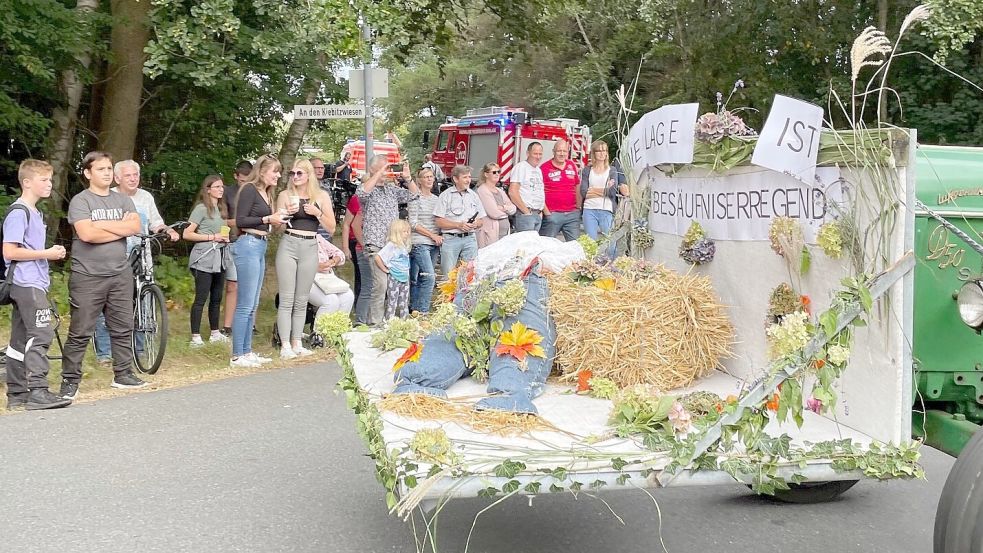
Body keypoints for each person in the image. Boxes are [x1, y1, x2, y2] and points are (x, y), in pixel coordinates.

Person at [60, 151, 145, 400]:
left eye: (109, 168)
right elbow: (87, 235)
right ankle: (70, 380)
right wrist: (119, 230)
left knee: (122, 326)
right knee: (81, 330)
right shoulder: (81, 201)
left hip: (120, 273)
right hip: (88, 275)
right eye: (101, 169)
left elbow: (135, 227)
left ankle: (123, 374)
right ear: (88, 173)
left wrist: (102, 227)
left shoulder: (122, 200)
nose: (107, 173)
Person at [92, 159, 179, 363]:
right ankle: (105, 352)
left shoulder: (145, 197)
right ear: (117, 178)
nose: (133, 179)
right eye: (128, 175)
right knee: (109, 303)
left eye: (136, 175)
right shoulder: (109, 197)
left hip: (142, 257)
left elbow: (156, 223)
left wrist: (167, 230)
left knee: (144, 301)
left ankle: (140, 348)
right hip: (114, 257)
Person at [3, 159, 71, 410]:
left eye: (50, 180)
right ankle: (38, 390)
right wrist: (47, 253)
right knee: (41, 332)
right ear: (27, 182)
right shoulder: (19, 212)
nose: (49, 184)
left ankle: (17, 395)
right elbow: (10, 252)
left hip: (33, 282)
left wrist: (47, 253)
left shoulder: (34, 212)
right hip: (26, 282)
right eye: (44, 180)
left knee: (19, 339)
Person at [274, 158, 336, 360]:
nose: (295, 177)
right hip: (289, 244)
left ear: (309, 175)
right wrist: (285, 215)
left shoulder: (321, 196)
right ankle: (285, 344)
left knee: (302, 298)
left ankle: (297, 342)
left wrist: (317, 213)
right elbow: (277, 227)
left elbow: (331, 227)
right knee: (287, 298)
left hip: (310, 245)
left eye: (299, 173)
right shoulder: (285, 195)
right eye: (292, 173)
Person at [231, 154, 288, 367]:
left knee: (253, 302)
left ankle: (247, 350)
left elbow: (268, 223)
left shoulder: (267, 193)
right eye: (275, 171)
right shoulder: (249, 189)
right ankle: (238, 354)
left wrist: (280, 216)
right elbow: (241, 220)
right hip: (248, 244)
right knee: (245, 303)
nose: (278, 175)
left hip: (260, 244)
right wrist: (267, 219)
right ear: (262, 171)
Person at [356, 156, 419, 325]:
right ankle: (375, 323)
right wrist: (377, 175)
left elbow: (414, 195)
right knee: (380, 285)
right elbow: (361, 193)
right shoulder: (367, 190)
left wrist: (408, 178)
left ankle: (391, 320)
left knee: (394, 286)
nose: (386, 172)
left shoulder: (392, 190)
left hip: (393, 246)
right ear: (372, 170)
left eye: (387, 168)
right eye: (381, 169)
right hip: (376, 245)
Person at [184, 175, 231, 347]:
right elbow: (187, 234)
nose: (221, 189)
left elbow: (223, 229)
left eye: (222, 186)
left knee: (217, 297)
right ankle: (195, 336)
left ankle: (215, 332)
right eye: (217, 186)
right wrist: (212, 237)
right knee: (201, 297)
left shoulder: (221, 208)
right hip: (204, 256)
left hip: (220, 256)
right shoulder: (201, 208)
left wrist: (224, 237)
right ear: (208, 189)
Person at [433, 165, 485, 277]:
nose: (468, 180)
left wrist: (476, 224)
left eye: (469, 177)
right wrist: (458, 225)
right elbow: (439, 221)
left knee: (470, 274)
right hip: (451, 239)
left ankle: (465, 294)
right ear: (456, 179)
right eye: (465, 177)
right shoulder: (445, 196)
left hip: (470, 239)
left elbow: (481, 220)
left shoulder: (474, 196)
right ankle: (449, 295)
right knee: (449, 275)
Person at [579, 140, 628, 257]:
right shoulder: (587, 170)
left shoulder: (612, 170)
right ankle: (591, 269)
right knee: (591, 244)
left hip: (606, 210)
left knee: (610, 244)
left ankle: (611, 268)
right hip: (589, 210)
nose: (602, 153)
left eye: (604, 150)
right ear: (594, 153)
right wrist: (602, 190)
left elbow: (612, 192)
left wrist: (594, 190)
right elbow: (584, 192)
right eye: (599, 151)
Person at [222, 160, 253, 335]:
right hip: (233, 240)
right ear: (236, 177)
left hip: (251, 240)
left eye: (247, 181)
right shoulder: (228, 192)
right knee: (232, 285)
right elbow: (222, 218)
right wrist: (225, 234)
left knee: (250, 284)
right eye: (242, 180)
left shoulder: (256, 191)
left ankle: (251, 323)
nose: (244, 184)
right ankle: (228, 325)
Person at [407, 167, 442, 313]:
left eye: (431, 176)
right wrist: (432, 235)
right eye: (426, 177)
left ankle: (414, 308)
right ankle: (423, 311)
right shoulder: (415, 197)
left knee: (420, 277)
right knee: (429, 277)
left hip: (435, 243)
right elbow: (413, 223)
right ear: (419, 180)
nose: (429, 179)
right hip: (420, 242)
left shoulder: (437, 199)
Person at [539, 139, 581, 241]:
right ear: (553, 151)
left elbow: (577, 186)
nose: (562, 154)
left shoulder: (572, 165)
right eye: (559, 151)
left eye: (564, 151)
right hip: (552, 214)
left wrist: (578, 208)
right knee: (547, 246)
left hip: (572, 214)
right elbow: (538, 191)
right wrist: (547, 212)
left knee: (575, 246)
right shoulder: (544, 168)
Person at [309, 234, 354, 318]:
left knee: (348, 295)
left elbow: (340, 254)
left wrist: (332, 261)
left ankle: (338, 328)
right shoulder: (295, 238)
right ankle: (320, 330)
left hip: (327, 278)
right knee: (331, 300)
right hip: (307, 278)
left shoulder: (317, 237)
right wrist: (315, 267)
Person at [375, 219, 412, 321]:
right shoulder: (391, 245)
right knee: (393, 301)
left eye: (408, 231)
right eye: (404, 231)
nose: (407, 234)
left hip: (405, 277)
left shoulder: (404, 247)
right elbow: (378, 257)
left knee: (404, 302)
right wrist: (385, 269)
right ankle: (389, 321)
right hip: (394, 277)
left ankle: (405, 321)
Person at [508, 142, 548, 232]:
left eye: (540, 154)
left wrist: (541, 211)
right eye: (535, 153)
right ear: (528, 153)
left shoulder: (538, 170)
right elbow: (513, 192)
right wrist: (526, 212)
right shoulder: (521, 167)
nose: (538, 157)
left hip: (537, 213)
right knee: (525, 244)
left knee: (533, 245)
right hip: (526, 214)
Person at [341, 194, 369, 322]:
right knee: (361, 277)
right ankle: (359, 310)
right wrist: (346, 247)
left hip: (374, 241)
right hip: (356, 241)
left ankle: (368, 309)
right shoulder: (356, 199)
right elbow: (347, 224)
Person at [475, 162, 516, 248]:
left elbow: (513, 209)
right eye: (494, 172)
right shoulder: (482, 190)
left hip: (504, 234)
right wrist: (507, 212)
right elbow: (494, 213)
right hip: (490, 233)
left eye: (499, 171)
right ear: (486, 174)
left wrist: (502, 207)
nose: (497, 174)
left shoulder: (499, 190)